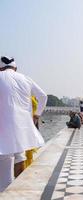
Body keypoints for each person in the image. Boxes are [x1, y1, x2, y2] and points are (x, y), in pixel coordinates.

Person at [0, 56, 47, 192]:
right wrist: (36, 114)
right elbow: (43, 96)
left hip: (3, 130)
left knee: (5, 164)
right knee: (20, 157)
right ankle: (19, 191)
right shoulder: (25, 78)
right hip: (22, 129)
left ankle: (6, 192)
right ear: (15, 68)